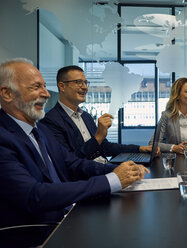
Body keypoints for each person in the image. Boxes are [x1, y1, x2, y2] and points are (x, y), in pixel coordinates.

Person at [0, 58, 149, 228]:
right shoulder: (8, 137)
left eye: (44, 86)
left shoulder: (40, 130)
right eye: (36, 87)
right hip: (40, 229)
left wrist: (120, 170)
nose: (47, 93)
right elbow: (34, 195)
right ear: (7, 94)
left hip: (69, 210)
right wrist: (113, 180)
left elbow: (73, 163)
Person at [41, 65, 156, 163]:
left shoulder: (85, 116)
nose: (85, 87)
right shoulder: (50, 121)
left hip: (104, 168)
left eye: (85, 82)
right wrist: (99, 136)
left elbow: (105, 147)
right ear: (62, 86)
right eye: (78, 82)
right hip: (88, 178)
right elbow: (69, 162)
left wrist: (140, 148)